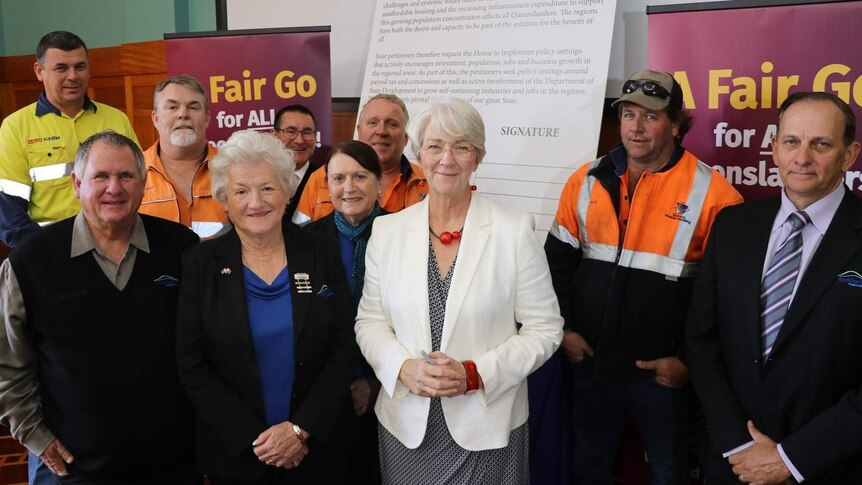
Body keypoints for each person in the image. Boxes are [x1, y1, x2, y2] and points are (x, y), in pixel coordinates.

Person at [544, 70, 743, 484]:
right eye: (628, 114)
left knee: (669, 473)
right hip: (590, 366)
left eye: (650, 116)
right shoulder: (585, 180)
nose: (636, 127)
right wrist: (563, 330)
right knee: (589, 468)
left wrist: (685, 363)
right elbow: (555, 265)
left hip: (662, 379)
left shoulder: (716, 195)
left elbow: (727, 301)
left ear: (674, 123)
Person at [355, 97, 563, 484]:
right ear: (420, 155)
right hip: (406, 427)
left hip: (487, 426)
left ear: (477, 157)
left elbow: (546, 328)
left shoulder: (514, 230)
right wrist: (402, 368)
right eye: (435, 146)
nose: (446, 159)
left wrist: (475, 374)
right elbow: (370, 322)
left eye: (461, 146)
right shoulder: (388, 231)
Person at [0, 130, 199, 484]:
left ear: (143, 184)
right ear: (77, 184)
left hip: (170, 465)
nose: (115, 187)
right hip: (71, 468)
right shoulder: (30, 262)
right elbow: (7, 364)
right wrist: (36, 438)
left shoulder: (183, 249)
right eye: (101, 176)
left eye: (126, 176)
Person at [686, 92, 862, 485]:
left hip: (830, 467)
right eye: (791, 142)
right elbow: (701, 340)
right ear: (773, 148)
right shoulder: (732, 226)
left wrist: (791, 459)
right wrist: (738, 444)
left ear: (849, 155)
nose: (802, 158)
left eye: (821, 144)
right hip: (732, 464)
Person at [176, 129, 358, 484]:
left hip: (318, 449)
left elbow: (343, 347)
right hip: (239, 455)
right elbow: (191, 364)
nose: (255, 201)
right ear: (224, 200)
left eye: (268, 188)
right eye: (241, 191)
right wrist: (257, 441)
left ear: (288, 191)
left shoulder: (321, 252)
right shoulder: (199, 264)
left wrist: (300, 430)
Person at [0, 31, 138, 247]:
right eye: (61, 68)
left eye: (80, 67)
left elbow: (138, 186)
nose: (73, 76)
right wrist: (44, 252)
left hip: (117, 246)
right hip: (50, 252)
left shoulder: (117, 119)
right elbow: (9, 212)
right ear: (39, 71)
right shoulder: (15, 127)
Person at [306, 140, 386, 484]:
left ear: (379, 180)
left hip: (394, 384)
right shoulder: (305, 241)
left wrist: (375, 380)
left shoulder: (407, 234)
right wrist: (344, 380)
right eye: (338, 178)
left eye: (359, 176)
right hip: (326, 390)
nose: (348, 188)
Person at [292, 93, 427, 224]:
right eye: (373, 122)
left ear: (405, 137)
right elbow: (301, 236)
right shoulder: (320, 178)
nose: (381, 131)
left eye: (392, 124)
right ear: (359, 130)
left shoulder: (428, 184)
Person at [139, 75, 230, 239]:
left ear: (207, 118)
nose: (183, 114)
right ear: (155, 118)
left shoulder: (233, 168)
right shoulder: (133, 171)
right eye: (172, 107)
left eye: (193, 107)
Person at [271, 104, 318, 221]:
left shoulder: (325, 179)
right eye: (290, 131)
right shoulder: (258, 178)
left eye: (307, 132)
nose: (299, 140)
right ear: (274, 135)